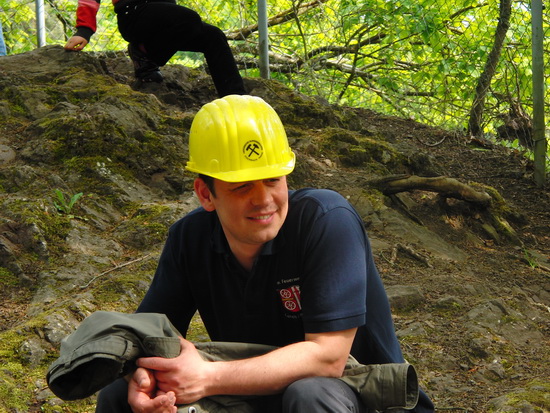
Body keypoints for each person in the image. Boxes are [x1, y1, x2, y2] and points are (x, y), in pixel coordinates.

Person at [95, 94, 435, 413]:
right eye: (242, 186)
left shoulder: (326, 220)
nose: (263, 200)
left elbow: (328, 358)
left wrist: (206, 377)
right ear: (206, 194)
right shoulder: (190, 238)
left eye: (272, 180)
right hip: (252, 392)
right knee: (118, 395)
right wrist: (142, 379)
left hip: (359, 393)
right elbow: (145, 338)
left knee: (310, 393)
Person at [64, 0, 246, 97]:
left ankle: (236, 98)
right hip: (134, 14)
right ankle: (144, 54)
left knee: (213, 35)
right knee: (189, 19)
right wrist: (84, 30)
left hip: (166, 20)